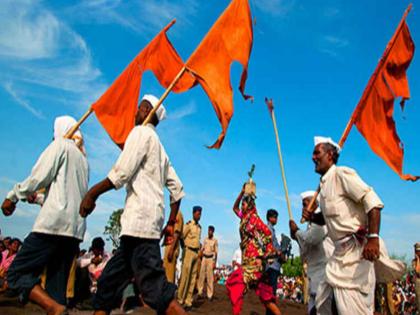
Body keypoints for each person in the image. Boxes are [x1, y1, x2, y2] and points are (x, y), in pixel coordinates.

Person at [79, 94, 187, 315]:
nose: (136, 111)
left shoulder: (141, 133)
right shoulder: (161, 150)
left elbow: (122, 173)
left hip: (140, 225)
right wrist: (170, 222)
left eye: (141, 107)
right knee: (107, 286)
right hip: (140, 229)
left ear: (148, 112)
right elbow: (177, 189)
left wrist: (92, 193)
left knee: (157, 293)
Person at [305, 136, 405, 315]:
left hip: (356, 257)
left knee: (350, 310)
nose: (312, 157)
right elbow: (331, 220)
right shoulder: (324, 186)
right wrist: (313, 217)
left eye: (316, 153)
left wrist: (373, 239)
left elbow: (372, 201)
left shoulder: (342, 174)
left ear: (330, 155)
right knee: (323, 302)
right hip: (338, 258)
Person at [1, 116, 88, 315]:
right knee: (55, 289)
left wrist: (13, 195)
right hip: (73, 231)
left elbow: (38, 176)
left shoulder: (60, 146)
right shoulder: (83, 160)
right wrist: (40, 199)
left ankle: (52, 307)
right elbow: (69, 197)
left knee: (16, 274)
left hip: (52, 226)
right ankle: (56, 306)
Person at [226, 184, 281, 315]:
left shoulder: (254, 219)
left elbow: (267, 233)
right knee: (265, 297)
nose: (242, 207)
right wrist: (241, 193)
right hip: (247, 259)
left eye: (244, 204)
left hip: (254, 262)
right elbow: (234, 208)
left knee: (235, 284)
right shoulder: (244, 218)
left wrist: (265, 256)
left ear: (249, 205)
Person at [289, 190, 334, 315]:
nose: (303, 208)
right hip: (314, 274)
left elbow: (312, 239)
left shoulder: (321, 219)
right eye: (303, 205)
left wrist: (296, 231)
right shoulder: (310, 224)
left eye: (306, 204)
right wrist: (296, 237)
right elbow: (306, 247)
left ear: (315, 204)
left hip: (323, 273)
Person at [177, 206, 202, 311]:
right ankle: (179, 300)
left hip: (196, 253)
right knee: (185, 277)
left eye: (200, 213)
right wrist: (184, 248)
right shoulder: (189, 225)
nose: (199, 215)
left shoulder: (199, 227)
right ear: (193, 213)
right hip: (188, 251)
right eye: (197, 213)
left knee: (192, 278)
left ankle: (188, 301)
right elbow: (181, 236)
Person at [265, 209, 284, 315]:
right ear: (270, 218)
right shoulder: (268, 229)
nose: (276, 219)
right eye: (275, 217)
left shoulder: (272, 229)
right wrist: (278, 251)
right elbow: (267, 245)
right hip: (271, 265)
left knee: (271, 293)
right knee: (270, 293)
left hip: (273, 264)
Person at [197, 225, 218, 301]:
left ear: (213, 232)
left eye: (211, 231)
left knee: (210, 278)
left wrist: (214, 262)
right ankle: (199, 292)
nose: (209, 232)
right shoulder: (205, 239)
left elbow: (216, 252)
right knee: (201, 276)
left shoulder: (215, 241)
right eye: (208, 230)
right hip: (204, 258)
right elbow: (202, 249)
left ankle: (210, 295)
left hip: (210, 259)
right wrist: (199, 255)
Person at [163, 210, 184, 283]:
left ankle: (169, 293)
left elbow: (177, 232)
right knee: (165, 272)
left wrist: (172, 249)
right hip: (168, 244)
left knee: (169, 275)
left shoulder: (177, 214)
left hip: (172, 246)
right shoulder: (172, 213)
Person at [412, 242, 420, 311]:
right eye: (416, 251)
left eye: (418, 251)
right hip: (418, 283)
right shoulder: (414, 261)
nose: (417, 252)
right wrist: (418, 259)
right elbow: (417, 271)